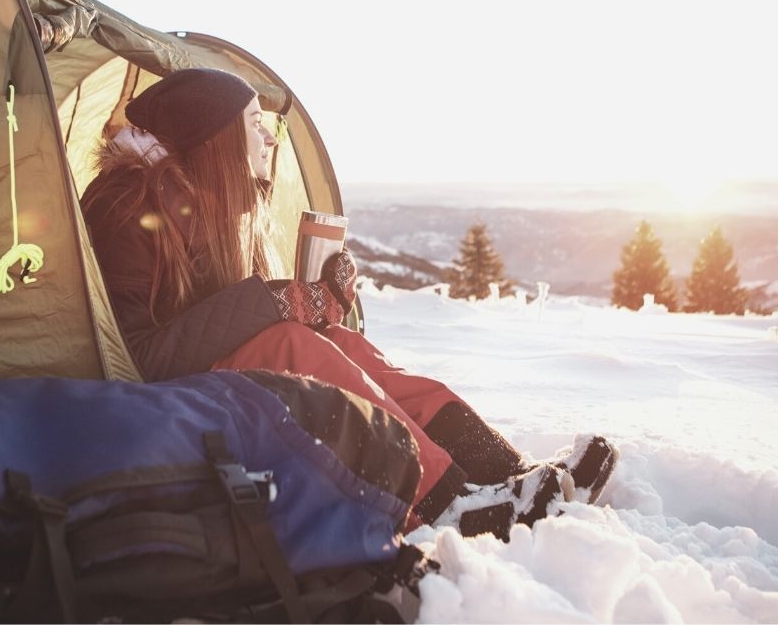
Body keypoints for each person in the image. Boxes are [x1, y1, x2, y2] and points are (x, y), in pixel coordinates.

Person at [79, 67, 616, 538]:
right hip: (156, 410)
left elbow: (218, 315)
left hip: (208, 384)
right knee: (290, 343)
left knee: (331, 340)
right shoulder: (128, 209)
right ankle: (445, 504)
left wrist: (315, 298)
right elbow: (138, 358)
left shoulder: (203, 203)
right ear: (215, 141)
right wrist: (280, 305)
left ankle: (500, 470)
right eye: (252, 123)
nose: (268, 137)